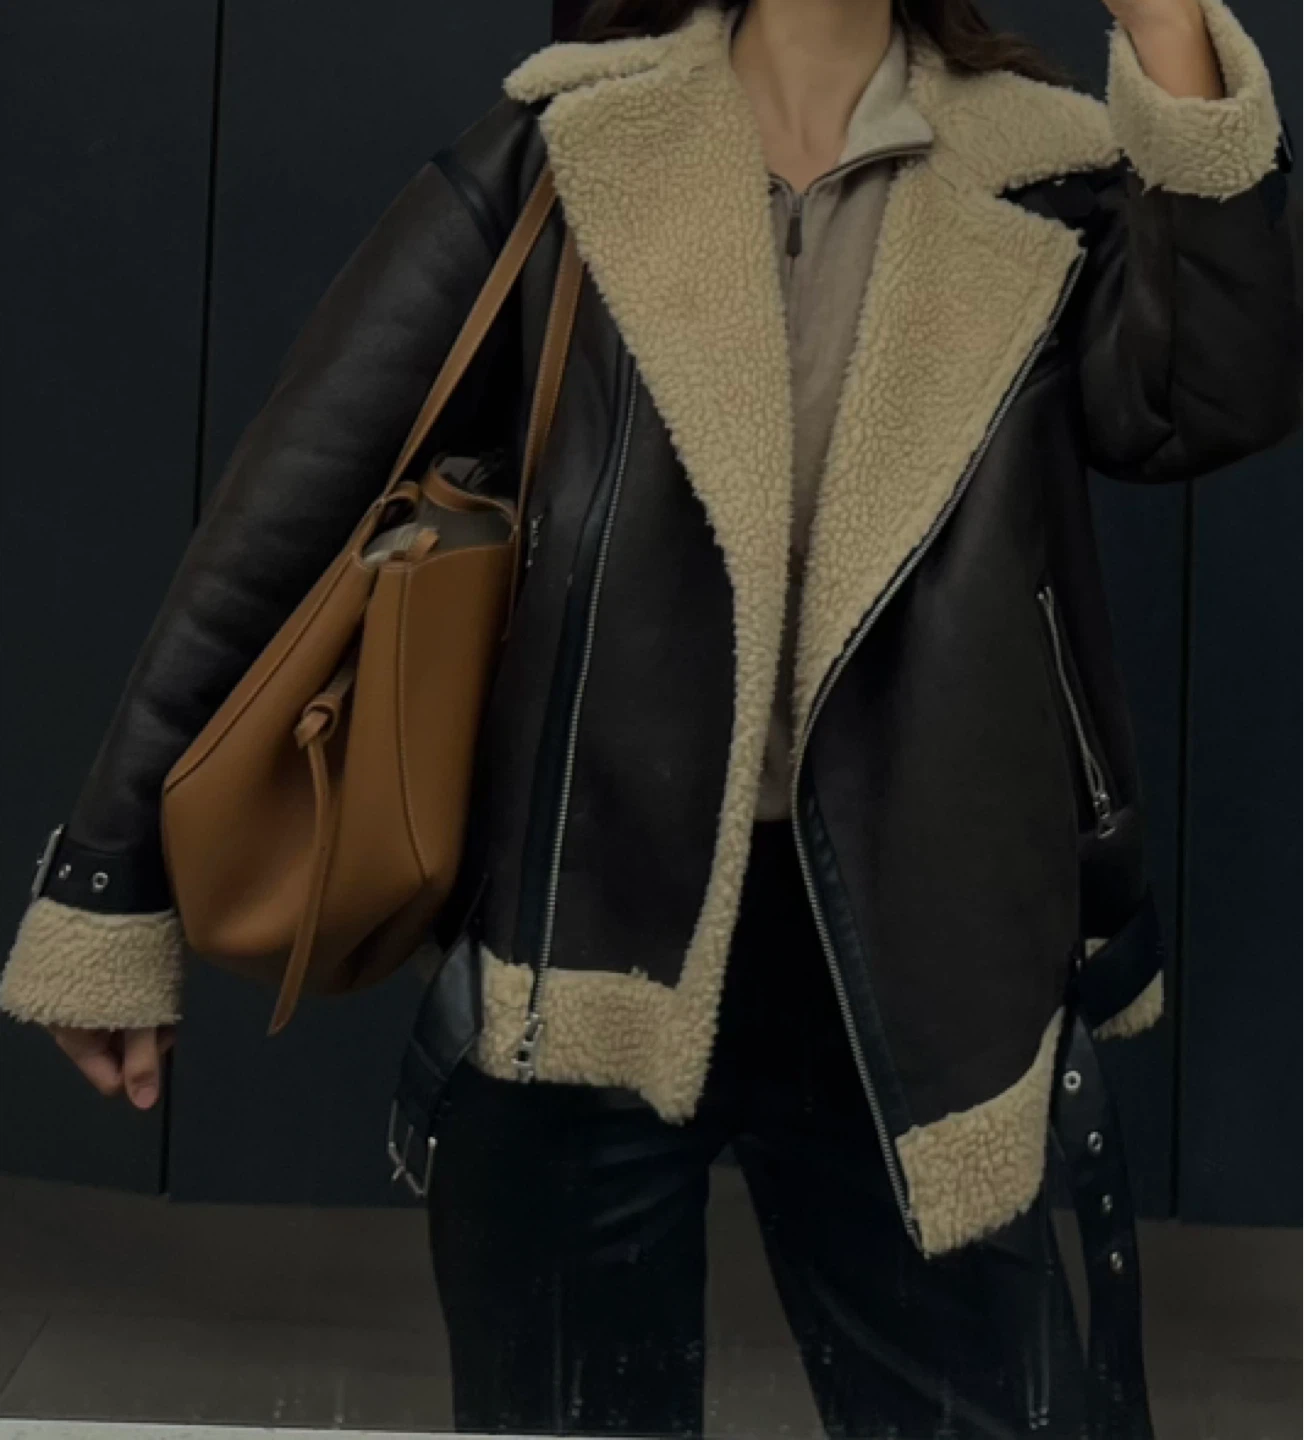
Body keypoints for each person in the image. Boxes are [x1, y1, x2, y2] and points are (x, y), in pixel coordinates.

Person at [3, 0, 1300, 1433]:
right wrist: (110, 877)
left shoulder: (1045, 170)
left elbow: (1210, 398)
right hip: (586, 935)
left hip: (918, 956)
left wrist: (1166, 22)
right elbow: (294, 503)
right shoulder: (570, 149)